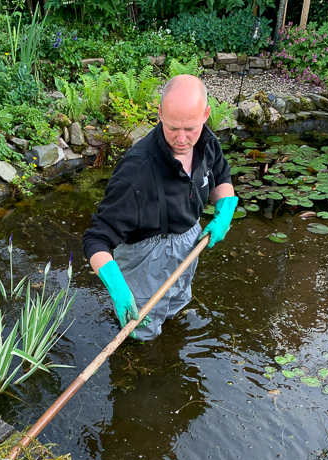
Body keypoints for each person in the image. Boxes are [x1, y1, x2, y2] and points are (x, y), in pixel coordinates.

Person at [81, 74, 237, 340]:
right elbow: (95, 239)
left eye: (190, 129)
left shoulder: (207, 143)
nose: (182, 139)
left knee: (176, 302)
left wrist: (225, 208)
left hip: (189, 240)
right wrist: (117, 288)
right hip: (147, 257)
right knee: (141, 330)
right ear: (160, 114)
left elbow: (221, 176)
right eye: (173, 128)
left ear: (205, 115)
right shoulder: (135, 173)